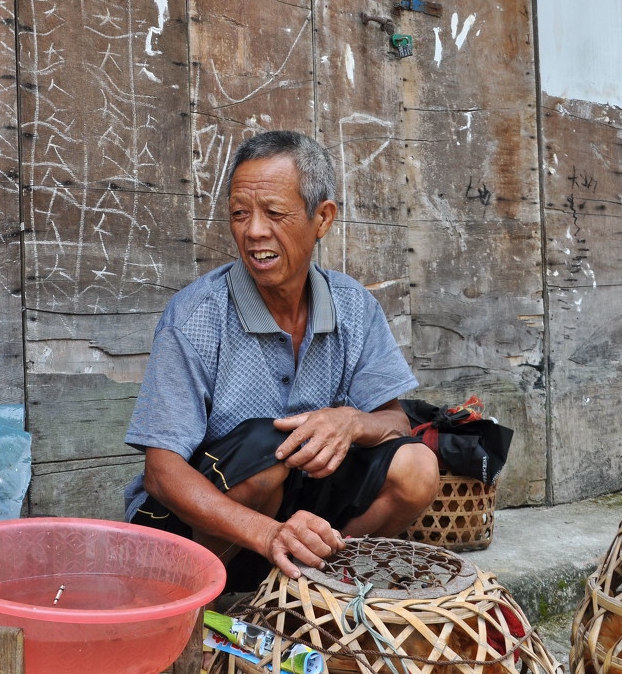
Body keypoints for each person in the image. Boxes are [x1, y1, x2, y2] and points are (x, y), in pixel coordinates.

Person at [123, 130, 440, 591]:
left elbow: (395, 422)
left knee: (417, 467)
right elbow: (161, 473)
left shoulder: (354, 306)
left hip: (294, 527)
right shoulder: (196, 315)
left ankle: (310, 588)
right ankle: (192, 601)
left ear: (322, 218)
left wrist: (350, 422)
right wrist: (268, 533)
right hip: (198, 538)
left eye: (274, 213)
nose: (253, 231)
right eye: (239, 213)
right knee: (266, 448)